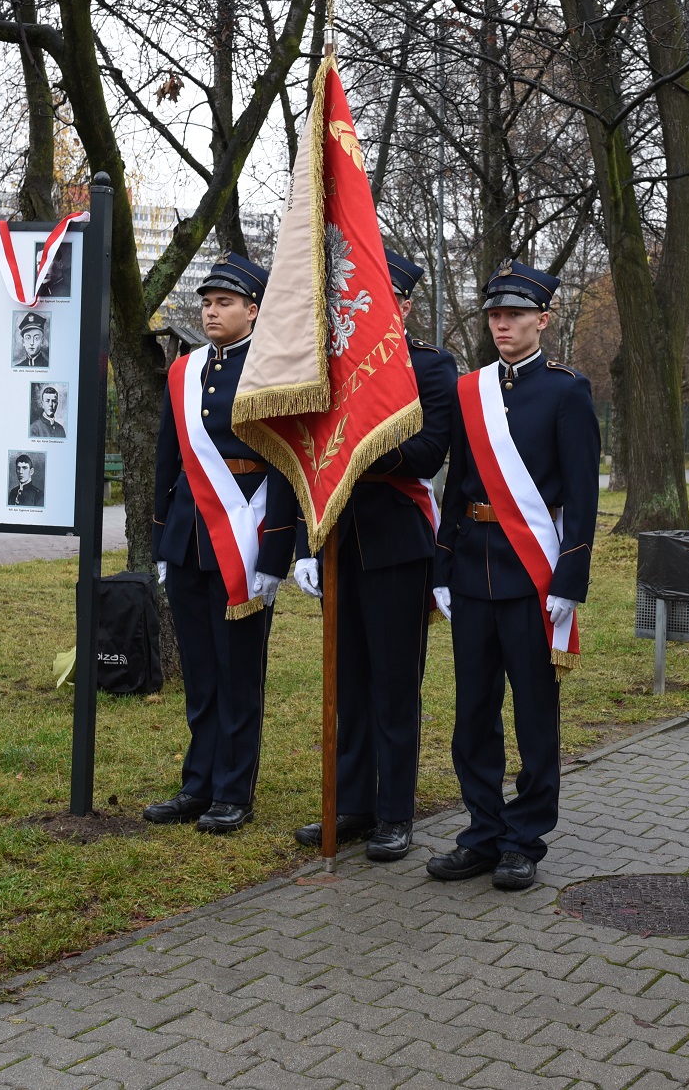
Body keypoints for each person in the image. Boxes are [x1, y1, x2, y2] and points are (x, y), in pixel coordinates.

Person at [427, 260, 599, 891]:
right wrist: (443, 564)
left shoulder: (566, 390)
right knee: (472, 712)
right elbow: (455, 487)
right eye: (495, 315)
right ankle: (482, 830)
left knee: (533, 713)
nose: (503, 324)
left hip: (533, 575)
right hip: (473, 569)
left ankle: (524, 836)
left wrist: (569, 581)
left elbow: (580, 497)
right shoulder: (469, 390)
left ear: (542, 321)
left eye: (515, 315)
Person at [291, 248, 458, 861]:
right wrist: (306, 541)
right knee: (348, 681)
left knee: (392, 683)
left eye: (383, 297)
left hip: (396, 541)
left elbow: (426, 454)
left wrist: (360, 443)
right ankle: (353, 804)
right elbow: (308, 453)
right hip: (338, 538)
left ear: (406, 306)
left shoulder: (431, 369)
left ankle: (395, 813)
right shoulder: (329, 368)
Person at [143, 253, 299, 835]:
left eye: (225, 302)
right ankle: (197, 783)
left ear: (253, 310)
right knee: (202, 672)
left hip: (245, 537)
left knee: (238, 672)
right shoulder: (184, 372)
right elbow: (167, 461)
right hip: (189, 535)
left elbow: (286, 467)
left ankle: (234, 790)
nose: (212, 311)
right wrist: (162, 542)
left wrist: (276, 555)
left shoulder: (273, 371)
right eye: (207, 302)